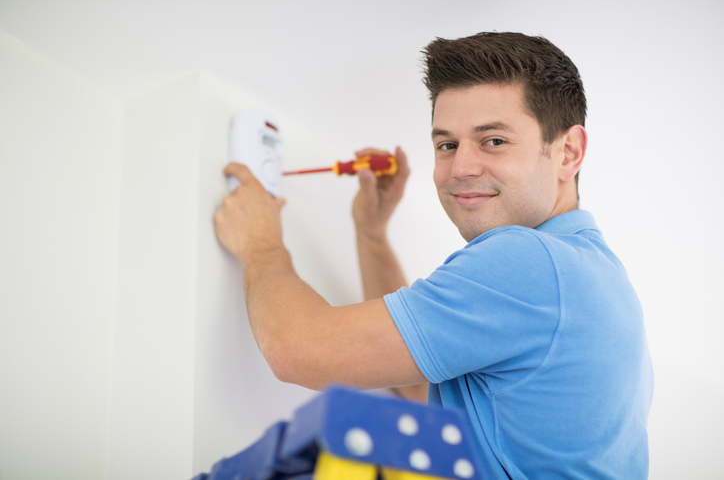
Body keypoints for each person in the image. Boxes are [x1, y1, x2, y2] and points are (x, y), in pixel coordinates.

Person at [214, 32, 653, 479]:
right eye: (446, 145)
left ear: (568, 152)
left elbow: (299, 350)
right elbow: (418, 384)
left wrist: (260, 243)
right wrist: (372, 234)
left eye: (494, 141)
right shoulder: (597, 278)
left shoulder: (531, 259)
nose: (460, 168)